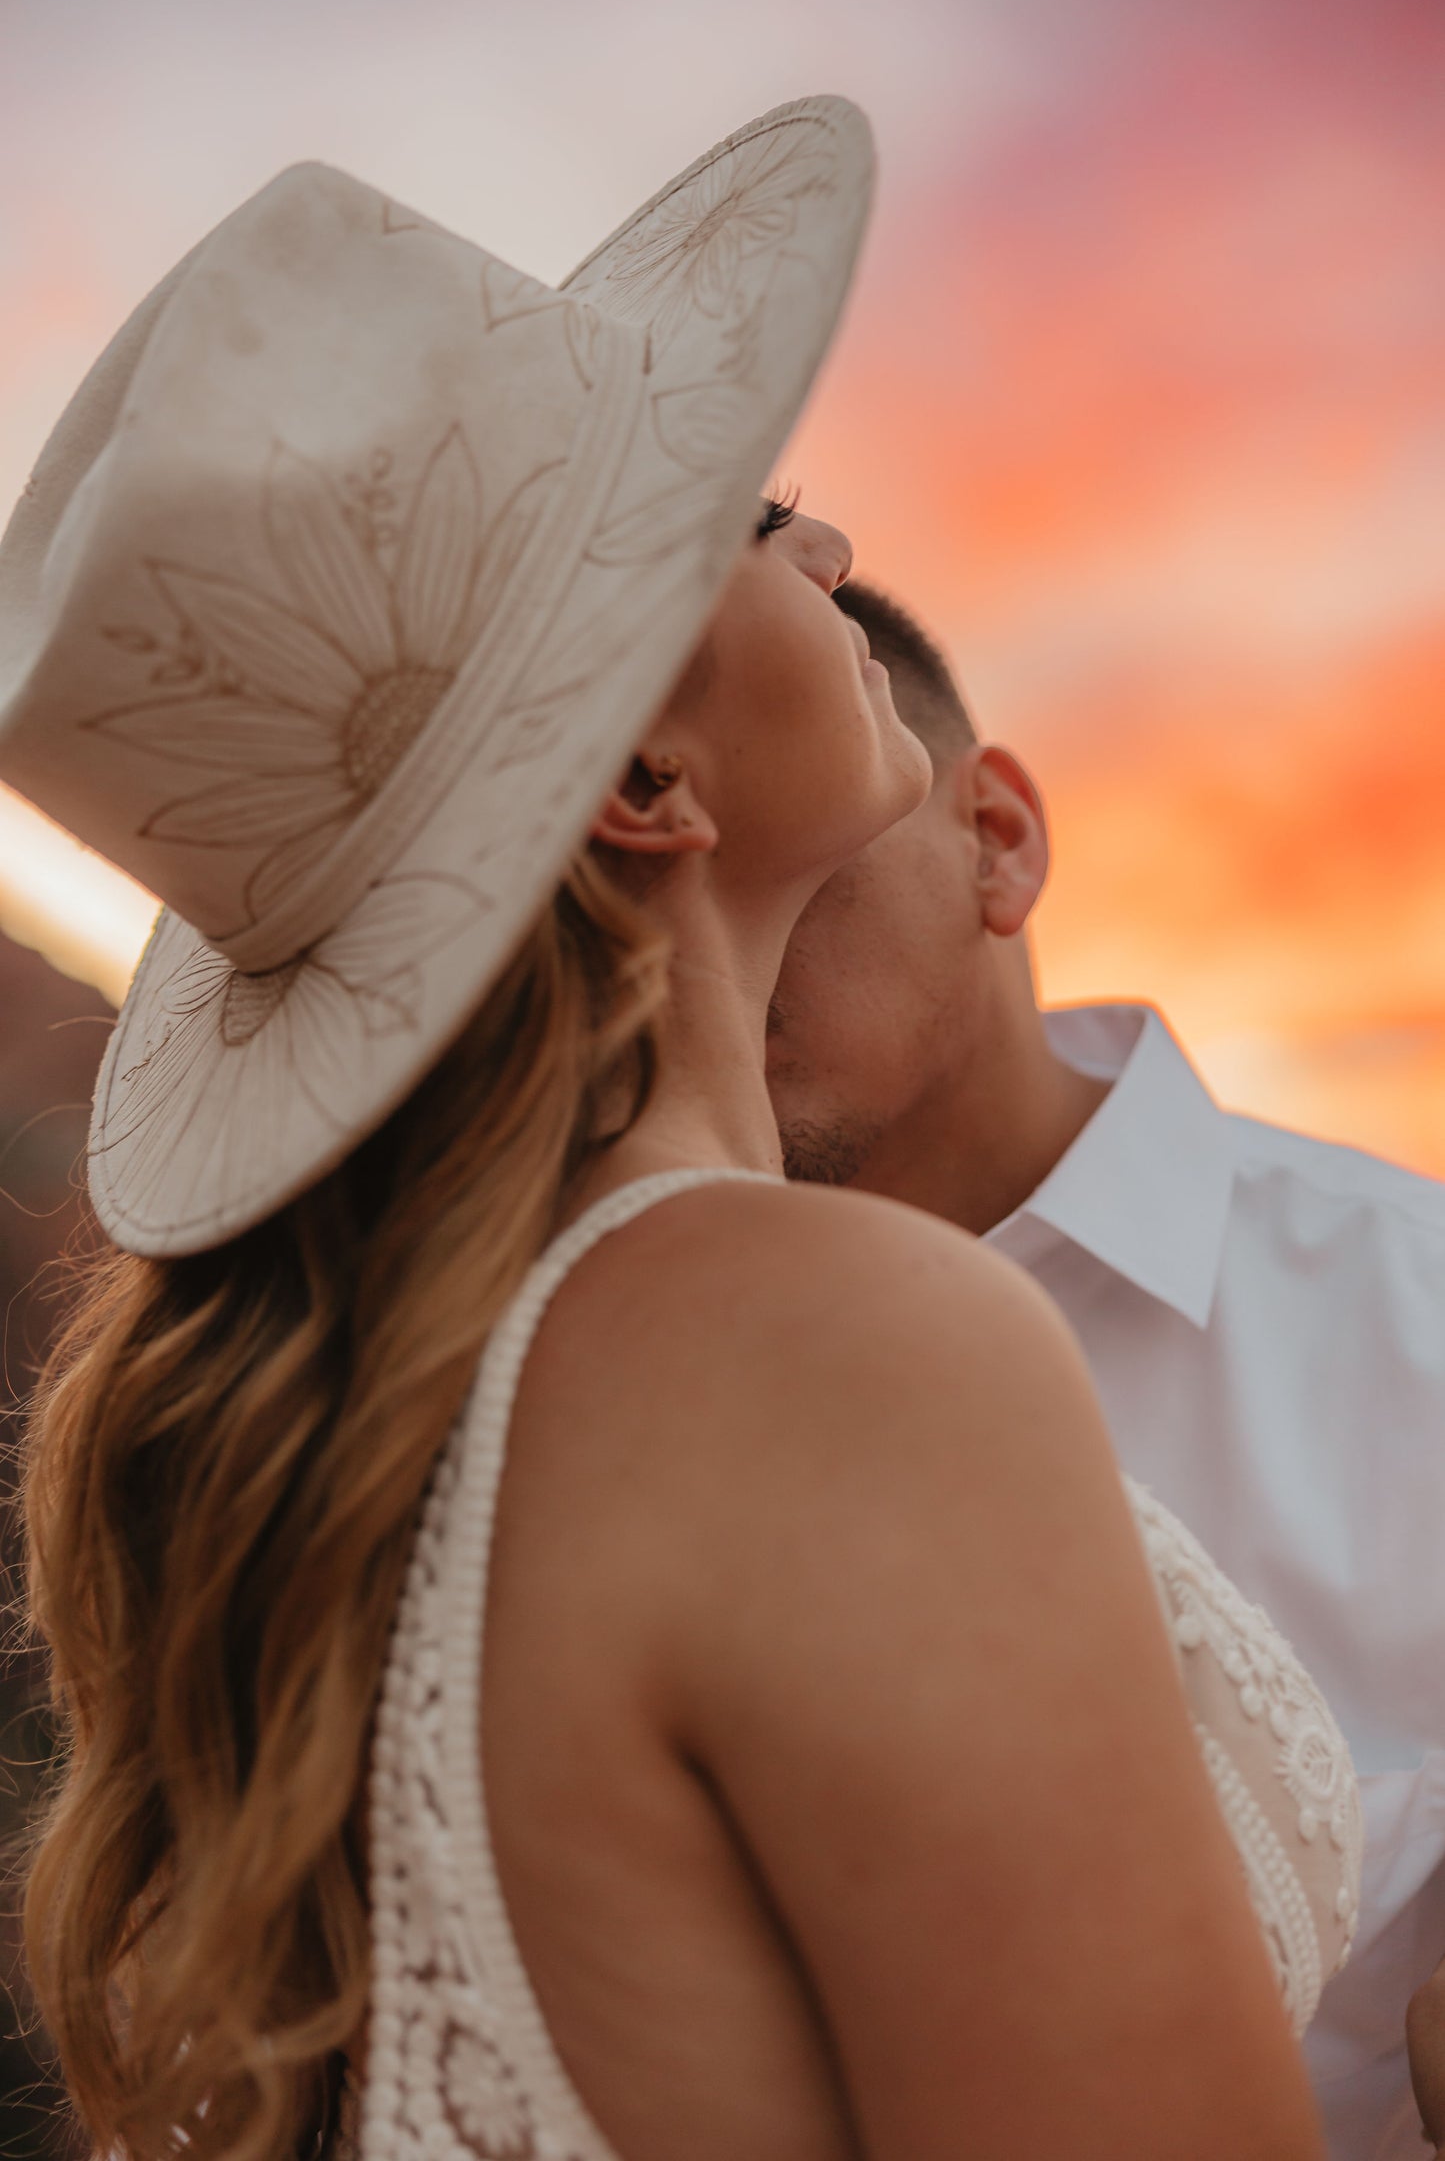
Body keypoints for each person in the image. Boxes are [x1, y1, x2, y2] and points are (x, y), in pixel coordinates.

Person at [3, 104, 1333, 2161]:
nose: (823, 550)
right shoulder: (837, 1353)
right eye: (740, 519)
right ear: (642, 778)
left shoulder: (413, 1436)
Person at [768, 574, 1445, 2161]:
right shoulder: (546, 1400)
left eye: (793, 859)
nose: (704, 944)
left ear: (993, 840)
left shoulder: (1416, 1330)